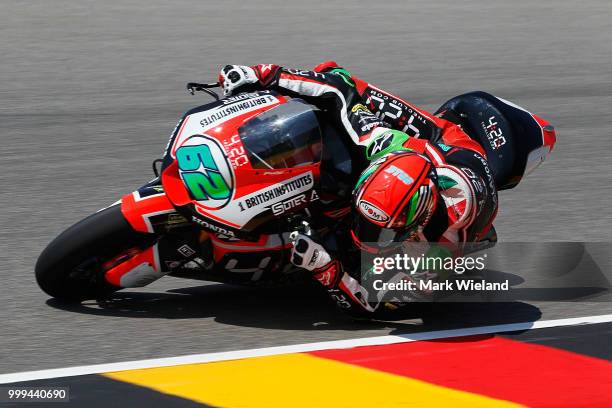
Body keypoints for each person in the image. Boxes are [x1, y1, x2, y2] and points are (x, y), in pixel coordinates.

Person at [218, 62, 499, 315]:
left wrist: (326, 269)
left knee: (362, 262)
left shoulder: (444, 245)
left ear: (418, 222)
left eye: (382, 231)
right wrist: (260, 75)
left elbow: (381, 304)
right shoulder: (384, 142)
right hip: (434, 144)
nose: (367, 234)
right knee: (341, 83)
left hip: (456, 169)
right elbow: (340, 90)